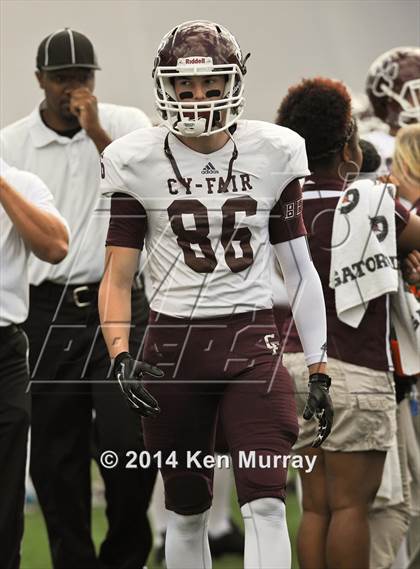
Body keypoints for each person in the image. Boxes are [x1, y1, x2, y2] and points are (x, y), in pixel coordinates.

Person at [98, 20, 334, 569]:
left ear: (234, 84)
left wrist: (320, 366)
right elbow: (116, 275)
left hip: (251, 346)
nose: (198, 98)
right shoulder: (136, 159)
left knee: (268, 504)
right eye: (185, 87)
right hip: (172, 350)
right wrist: (120, 354)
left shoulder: (273, 151)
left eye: (210, 86)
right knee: (185, 512)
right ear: (166, 89)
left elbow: (298, 270)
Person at [0, 28, 155, 569]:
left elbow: (146, 189)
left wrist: (96, 132)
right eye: (62, 77)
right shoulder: (11, 143)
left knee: (130, 446)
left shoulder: (128, 126)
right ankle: (73, 561)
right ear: (40, 81)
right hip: (45, 311)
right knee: (54, 458)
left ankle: (125, 557)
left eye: (82, 76)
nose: (74, 87)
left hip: (118, 304)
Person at [276, 76, 420, 569]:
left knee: (314, 506)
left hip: (293, 367)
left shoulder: (278, 207)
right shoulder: (372, 203)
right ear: (346, 146)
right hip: (356, 367)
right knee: (352, 507)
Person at [0, 158, 69, 569]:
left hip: (4, 353)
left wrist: (3, 188)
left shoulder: (22, 183)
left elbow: (56, 247)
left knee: (6, 495)